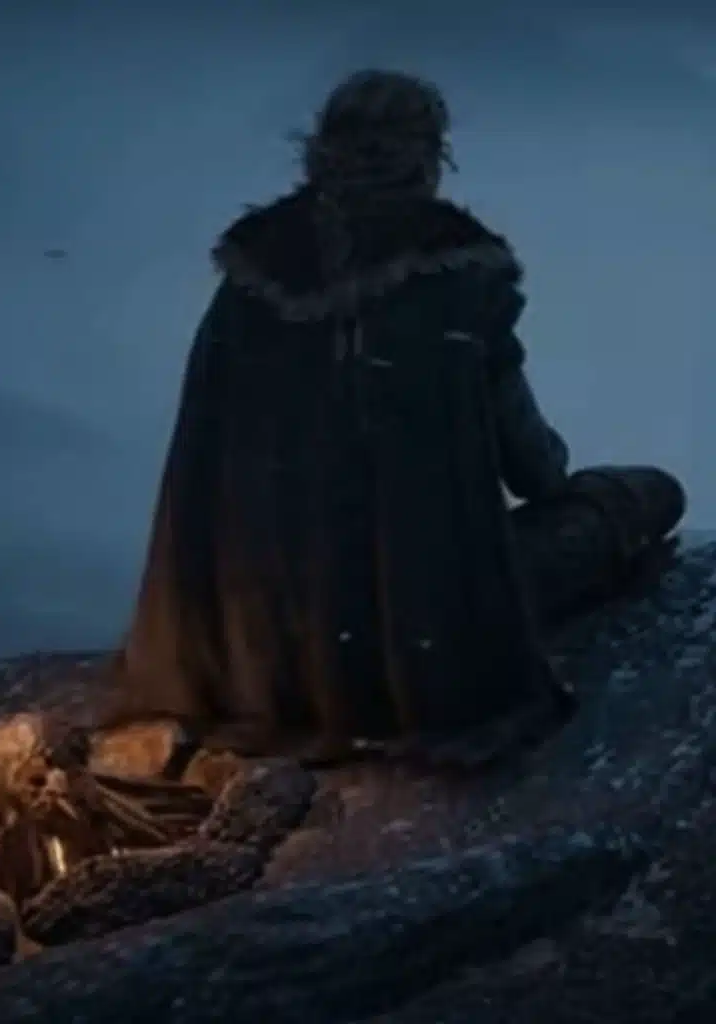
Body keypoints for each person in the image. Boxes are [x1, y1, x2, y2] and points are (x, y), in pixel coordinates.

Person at [106, 70, 685, 766]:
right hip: (417, 650)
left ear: (320, 149)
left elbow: (196, 474)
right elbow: (537, 472)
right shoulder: (458, 275)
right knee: (648, 495)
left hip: (249, 652)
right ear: (429, 156)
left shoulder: (247, 283)